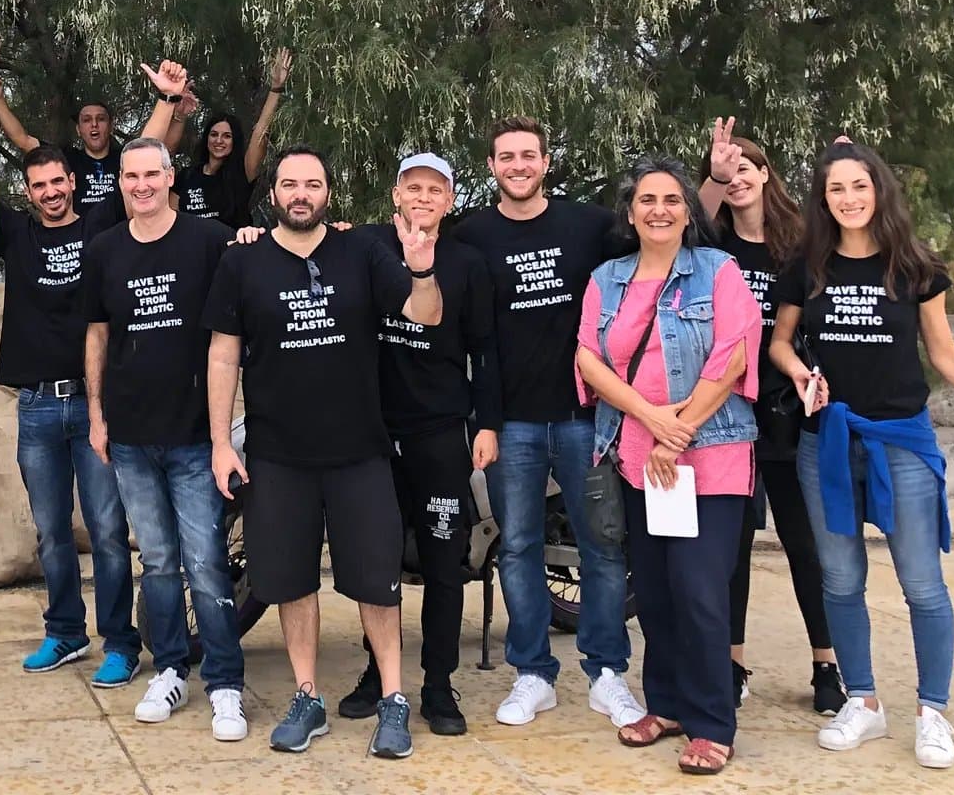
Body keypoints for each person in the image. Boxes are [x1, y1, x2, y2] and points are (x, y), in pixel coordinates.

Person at [0, 59, 187, 686]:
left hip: (93, 406)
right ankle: (64, 634)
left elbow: (141, 166)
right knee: (51, 533)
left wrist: (164, 103)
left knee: (108, 532)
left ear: (73, 183)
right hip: (34, 408)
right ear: (28, 191)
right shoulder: (15, 234)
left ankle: (119, 643)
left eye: (59, 182)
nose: (51, 192)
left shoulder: (104, 227)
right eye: (39, 185)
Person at [203, 145, 443, 758]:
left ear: (328, 194)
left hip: (359, 453)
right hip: (278, 456)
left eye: (313, 184)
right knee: (289, 582)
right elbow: (224, 353)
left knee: (375, 583)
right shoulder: (244, 261)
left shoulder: (362, 250)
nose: (301, 193)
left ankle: (394, 699)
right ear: (275, 194)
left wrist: (420, 267)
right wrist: (219, 445)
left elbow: (425, 314)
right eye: (290, 184)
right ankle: (307, 698)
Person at [770, 139, 954, 770]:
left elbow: (944, 356)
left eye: (859, 186)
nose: (849, 198)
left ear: (878, 190)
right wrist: (804, 373)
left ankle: (932, 711)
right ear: (823, 198)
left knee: (922, 582)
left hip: (901, 440)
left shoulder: (916, 267)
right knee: (840, 578)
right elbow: (780, 343)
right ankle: (861, 700)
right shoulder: (804, 267)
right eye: (836, 189)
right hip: (827, 441)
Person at [452, 116, 643, 728]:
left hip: (586, 418)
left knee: (603, 549)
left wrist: (714, 182)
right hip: (512, 425)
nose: (518, 165)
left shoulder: (587, 224)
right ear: (491, 166)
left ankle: (607, 672)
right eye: (506, 156)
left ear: (546, 161)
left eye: (528, 155)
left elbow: (665, 237)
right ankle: (533, 674)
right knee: (520, 549)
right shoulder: (473, 233)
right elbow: (408, 238)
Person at [575, 156, 760, 775]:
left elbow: (732, 355)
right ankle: (669, 704)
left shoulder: (719, 270)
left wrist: (676, 433)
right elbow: (589, 359)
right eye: (647, 200)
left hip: (711, 456)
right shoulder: (608, 278)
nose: (659, 209)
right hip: (635, 459)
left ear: (689, 211)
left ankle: (712, 722)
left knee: (701, 591)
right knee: (652, 592)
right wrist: (651, 421)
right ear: (630, 212)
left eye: (672, 200)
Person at [83, 137, 247, 741]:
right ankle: (171, 669)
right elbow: (97, 336)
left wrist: (251, 237)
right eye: (131, 176)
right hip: (129, 437)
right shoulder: (103, 251)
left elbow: (256, 262)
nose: (142, 184)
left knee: (205, 563)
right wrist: (98, 417)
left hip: (192, 437)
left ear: (170, 176)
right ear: (120, 182)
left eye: (152, 174)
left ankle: (226, 683)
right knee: (157, 562)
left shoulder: (207, 240)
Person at [333, 152, 500, 737]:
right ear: (396, 193)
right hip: (371, 435)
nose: (423, 197)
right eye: (413, 187)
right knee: (375, 563)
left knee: (443, 561)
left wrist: (486, 423)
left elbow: (485, 349)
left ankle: (436, 683)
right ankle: (379, 675)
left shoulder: (468, 263)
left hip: (438, 434)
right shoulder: (362, 246)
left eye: (435, 189)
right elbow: (296, 248)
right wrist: (249, 233)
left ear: (449, 201)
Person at [697, 118, 846, 715]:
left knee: (803, 543)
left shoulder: (803, 241)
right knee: (731, 547)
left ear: (766, 175)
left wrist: (840, 163)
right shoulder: (714, 246)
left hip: (789, 410)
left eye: (747, 169)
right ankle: (732, 664)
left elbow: (851, 226)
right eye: (729, 174)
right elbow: (688, 218)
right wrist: (713, 171)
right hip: (727, 411)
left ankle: (827, 664)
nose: (738, 181)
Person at [0, 37, 123, 214]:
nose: (94, 124)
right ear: (78, 129)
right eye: (86, 120)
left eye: (100, 119)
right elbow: (23, 140)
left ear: (111, 125)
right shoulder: (66, 158)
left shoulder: (126, 159)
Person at [167, 48, 292, 228]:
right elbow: (172, 221)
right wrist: (179, 114)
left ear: (235, 141)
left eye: (227, 136)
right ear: (207, 138)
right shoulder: (187, 177)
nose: (219, 141)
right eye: (214, 134)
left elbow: (260, 135)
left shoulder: (242, 172)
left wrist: (276, 88)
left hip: (233, 252)